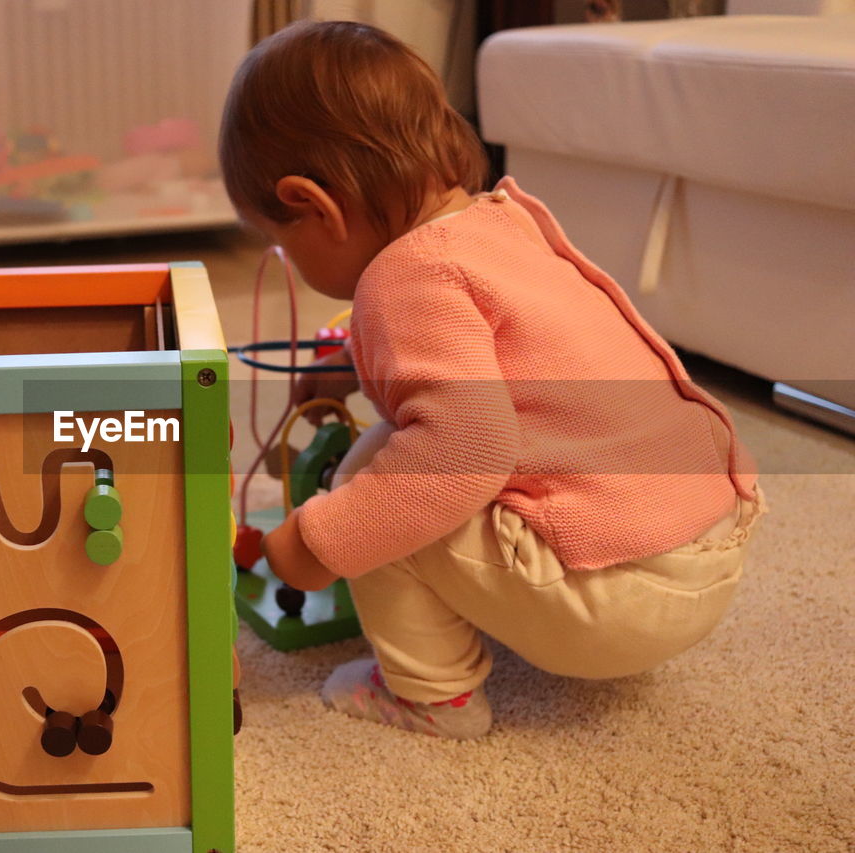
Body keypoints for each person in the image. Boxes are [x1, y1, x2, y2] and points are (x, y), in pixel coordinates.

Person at [219, 20, 764, 739]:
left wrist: (318, 543)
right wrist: (351, 362)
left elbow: (462, 453)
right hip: (711, 543)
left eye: (283, 242)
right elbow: (504, 354)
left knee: (376, 492)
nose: (287, 257)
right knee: (408, 453)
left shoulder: (401, 277)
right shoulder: (501, 225)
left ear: (316, 205)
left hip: (624, 597)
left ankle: (430, 694)